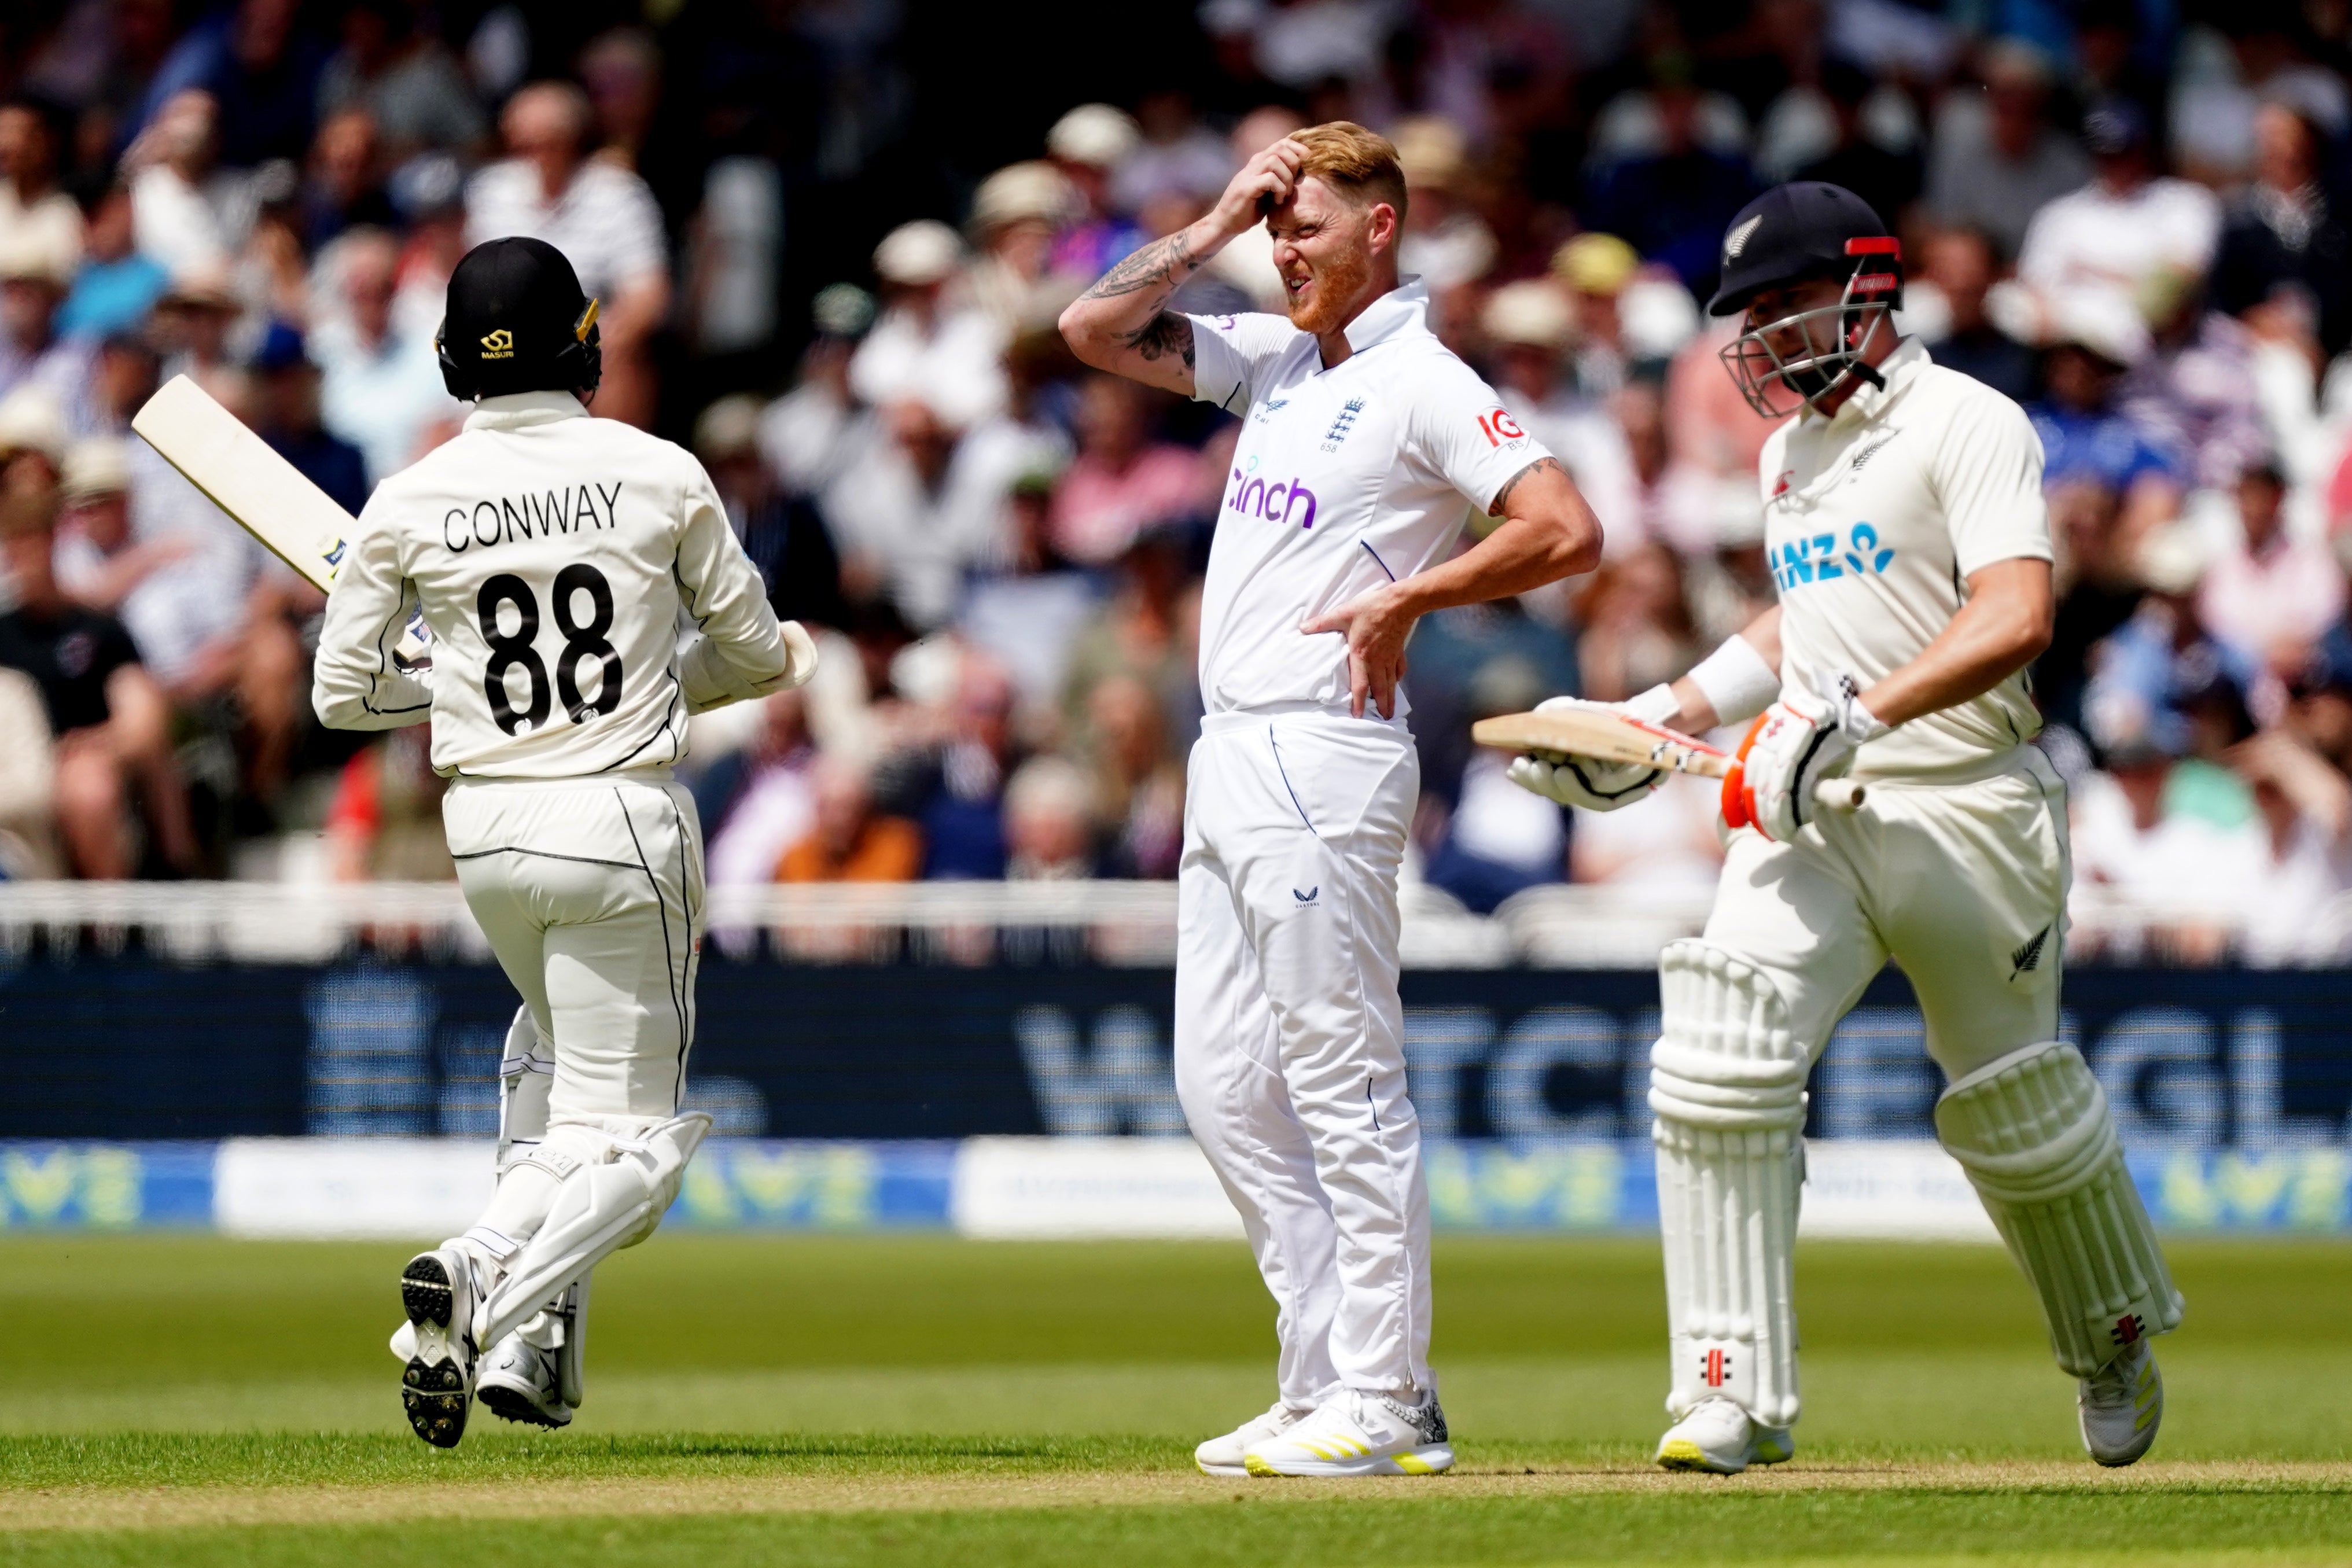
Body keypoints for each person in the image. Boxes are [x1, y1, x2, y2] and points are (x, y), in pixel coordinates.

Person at [1511, 182, 2180, 1473]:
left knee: (2012, 1110)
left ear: (1864, 291)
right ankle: (1727, 1388)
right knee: (1716, 1057)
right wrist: (1658, 715)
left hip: (1966, 808)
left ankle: (2109, 1340)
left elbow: (2012, 614)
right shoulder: (1786, 453)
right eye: (1742, 316)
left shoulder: (1968, 421)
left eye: (1776, 306)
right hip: (1812, 805)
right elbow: (1798, 623)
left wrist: (1854, 717)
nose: (1754, 338)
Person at [1058, 120, 1602, 1478]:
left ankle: (1390, 1392)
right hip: (1229, 750)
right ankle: (1315, 1379)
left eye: (1307, 221)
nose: (1283, 244)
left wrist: (1416, 592)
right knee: (1223, 1085)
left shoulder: (1423, 380)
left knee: (1340, 1080)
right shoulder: (1280, 359)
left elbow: (1562, 523)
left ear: (1381, 229)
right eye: (1274, 222)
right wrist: (1212, 215)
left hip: (1325, 748)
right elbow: (1090, 324)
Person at [311, 235, 817, 1446]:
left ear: (449, 360)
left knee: (551, 1071)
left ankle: (533, 1355)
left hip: (483, 836)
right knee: (635, 1146)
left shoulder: (408, 495)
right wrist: (659, 679)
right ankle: (478, 1268)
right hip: (616, 818)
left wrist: (446, 681)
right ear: (584, 341)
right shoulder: (658, 471)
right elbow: (752, 654)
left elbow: (342, 694)